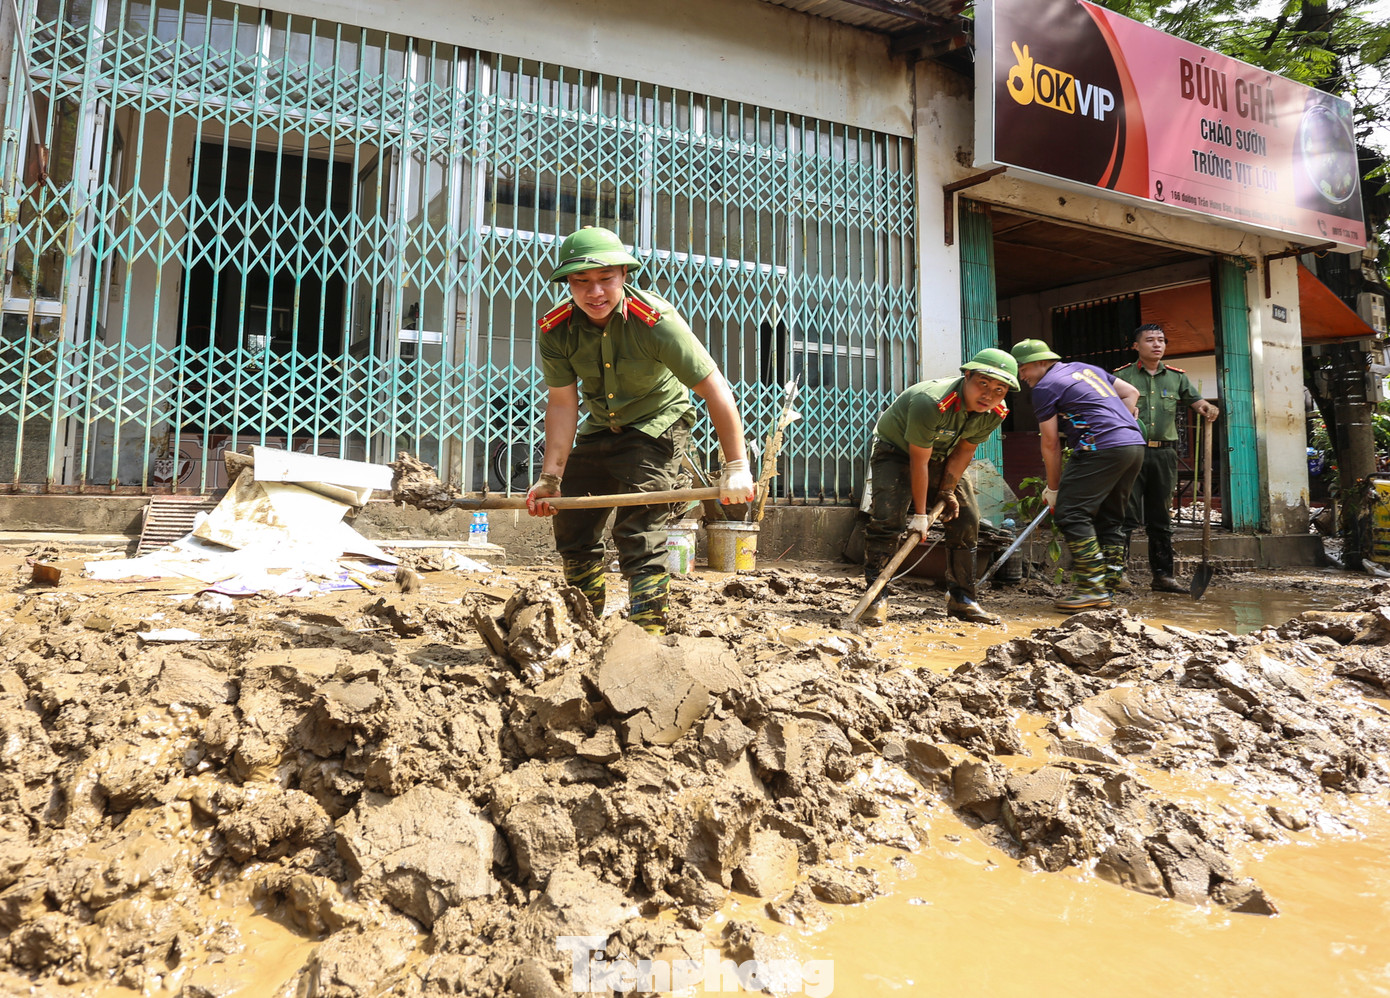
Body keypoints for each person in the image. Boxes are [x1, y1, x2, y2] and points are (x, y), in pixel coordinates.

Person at [525, 226, 755, 635]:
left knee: (637, 529)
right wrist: (550, 478)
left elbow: (714, 388)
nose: (595, 292)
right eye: (581, 282)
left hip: (658, 425)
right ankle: (585, 624)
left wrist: (737, 466)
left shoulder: (656, 321)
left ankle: (645, 634)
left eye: (605, 279)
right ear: (568, 284)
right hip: (601, 427)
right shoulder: (556, 329)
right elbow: (562, 404)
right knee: (573, 521)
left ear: (624, 276)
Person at [861, 348, 1020, 626]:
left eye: (999, 389)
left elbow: (964, 451)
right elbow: (918, 462)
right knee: (888, 519)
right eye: (982, 383)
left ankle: (962, 599)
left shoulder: (995, 412)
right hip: (896, 451)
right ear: (967, 376)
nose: (989, 395)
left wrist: (947, 491)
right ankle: (876, 598)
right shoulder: (931, 402)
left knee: (967, 518)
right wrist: (920, 516)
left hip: (944, 455)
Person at [1011, 339, 1145, 612]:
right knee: (1110, 516)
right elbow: (1131, 392)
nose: (1021, 376)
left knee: (1071, 513)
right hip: (1133, 444)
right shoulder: (1085, 368)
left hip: (1100, 447)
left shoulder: (1046, 388)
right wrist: (1124, 420)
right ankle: (1108, 585)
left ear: (1040, 362)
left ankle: (1092, 588)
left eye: (1023, 369)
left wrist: (1054, 488)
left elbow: (1050, 443)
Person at [1112, 323, 1220, 593]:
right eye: (1150, 340)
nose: (1157, 344)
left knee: (1161, 517)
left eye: (1161, 340)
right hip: (1130, 451)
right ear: (1136, 346)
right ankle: (1118, 574)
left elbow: (1197, 403)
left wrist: (1207, 408)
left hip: (1164, 454)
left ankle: (1163, 576)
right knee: (1126, 514)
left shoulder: (1177, 378)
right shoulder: (1120, 376)